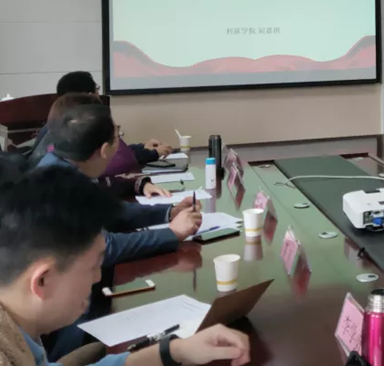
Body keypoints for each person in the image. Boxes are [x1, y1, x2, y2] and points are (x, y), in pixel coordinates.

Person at [0, 166, 250, 366]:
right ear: (42, 280)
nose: (98, 277)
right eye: (94, 266)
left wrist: (176, 350)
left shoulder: (17, 331)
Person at [37, 104, 202, 266]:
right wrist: (173, 233)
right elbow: (104, 249)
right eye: (118, 137)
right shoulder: (62, 186)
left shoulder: (62, 165)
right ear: (104, 150)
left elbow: (111, 211)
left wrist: (170, 212)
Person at [54, 72, 173, 164]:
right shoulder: (84, 125)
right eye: (97, 89)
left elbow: (114, 152)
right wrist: (152, 154)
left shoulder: (62, 123)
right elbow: (114, 162)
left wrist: (142, 147)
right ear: (91, 96)